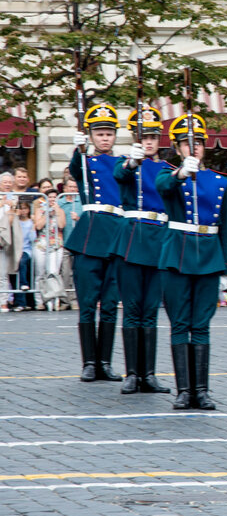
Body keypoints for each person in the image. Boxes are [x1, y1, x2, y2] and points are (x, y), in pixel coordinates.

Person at [156, 113, 227, 411]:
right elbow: (162, 187)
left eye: (198, 143)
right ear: (178, 148)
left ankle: (201, 390)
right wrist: (180, 174)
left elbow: (225, 226)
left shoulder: (219, 181)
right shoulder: (170, 176)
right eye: (187, 144)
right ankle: (183, 391)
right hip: (177, 254)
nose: (194, 148)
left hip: (209, 256)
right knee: (180, 323)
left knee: (201, 325)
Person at [111, 106, 172, 394]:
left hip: (159, 239)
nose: (149, 141)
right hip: (133, 238)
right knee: (132, 309)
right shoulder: (128, 163)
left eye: (153, 136)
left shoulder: (166, 169)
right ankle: (132, 373)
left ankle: (148, 374)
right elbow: (118, 176)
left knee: (150, 311)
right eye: (143, 136)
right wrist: (132, 163)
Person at [66, 103, 125, 382]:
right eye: (99, 133)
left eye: (109, 134)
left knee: (111, 303)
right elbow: (75, 170)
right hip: (90, 237)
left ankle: (105, 362)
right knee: (88, 302)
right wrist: (77, 150)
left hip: (115, 236)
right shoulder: (86, 161)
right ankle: (89, 362)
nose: (104, 138)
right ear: (90, 136)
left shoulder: (126, 164)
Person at [32, 189, 66, 310]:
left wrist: (56, 211)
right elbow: (39, 226)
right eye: (50, 197)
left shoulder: (60, 211)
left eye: (54, 197)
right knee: (40, 273)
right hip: (41, 244)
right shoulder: (39, 210)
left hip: (56, 244)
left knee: (53, 272)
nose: (52, 199)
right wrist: (47, 214)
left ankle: (54, 300)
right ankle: (39, 301)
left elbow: (62, 225)